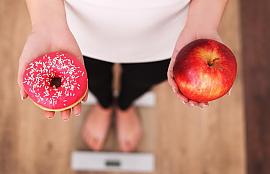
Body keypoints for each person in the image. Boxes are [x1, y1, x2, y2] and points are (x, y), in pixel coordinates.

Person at [17, 0, 228, 152]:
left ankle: (125, 105)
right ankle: (104, 103)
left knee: (142, 80)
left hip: (171, 37)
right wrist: (45, 22)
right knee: (93, 78)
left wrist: (203, 23)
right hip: (71, 33)